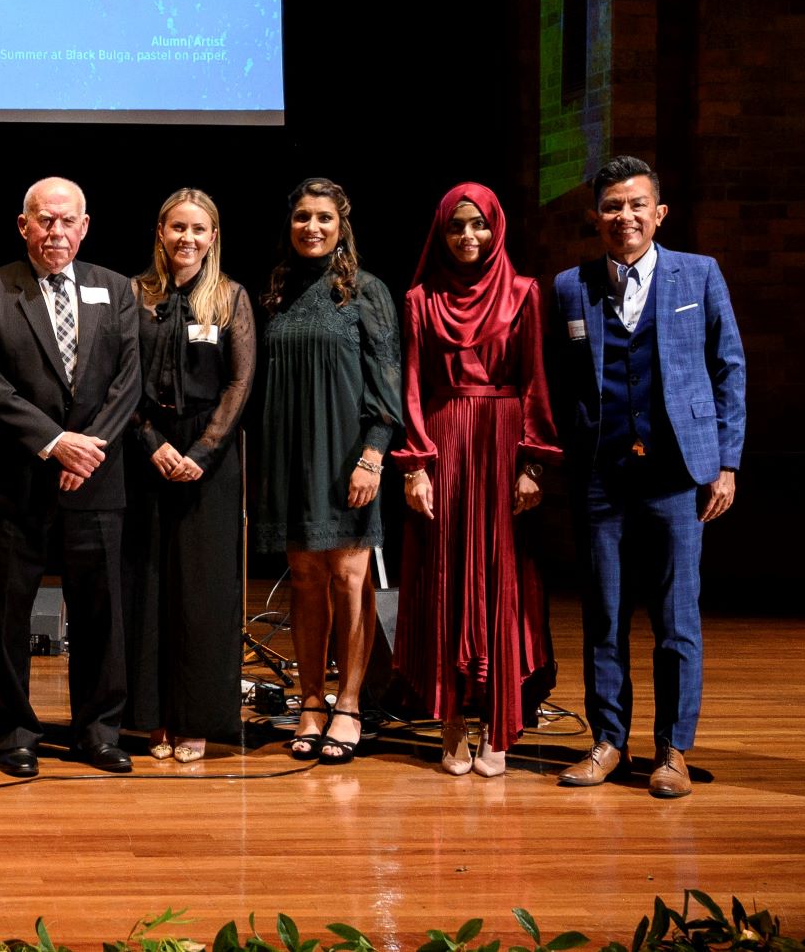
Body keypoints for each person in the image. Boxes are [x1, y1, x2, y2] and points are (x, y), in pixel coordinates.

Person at [549, 156, 745, 799]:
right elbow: (558, 380)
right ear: (595, 216)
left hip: (676, 473)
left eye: (636, 205)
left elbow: (728, 370)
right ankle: (608, 741)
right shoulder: (570, 287)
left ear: (658, 214)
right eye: (611, 206)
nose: (623, 216)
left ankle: (672, 750)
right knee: (604, 614)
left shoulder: (700, 274)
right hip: (602, 474)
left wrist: (726, 461)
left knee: (675, 618)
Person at [0, 177, 141, 778]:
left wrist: (86, 450)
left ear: (85, 226)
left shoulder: (116, 289)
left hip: (96, 478)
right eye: (44, 221)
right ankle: (14, 733)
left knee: (100, 613)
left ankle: (98, 730)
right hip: (20, 479)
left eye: (67, 221)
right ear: (24, 226)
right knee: (9, 615)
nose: (56, 232)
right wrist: (54, 443)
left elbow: (129, 381)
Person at [392, 183, 562, 778]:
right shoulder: (419, 299)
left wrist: (533, 463)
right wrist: (415, 465)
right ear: (441, 233)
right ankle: (450, 723)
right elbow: (409, 385)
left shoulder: (524, 294)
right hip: (443, 444)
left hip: (502, 442)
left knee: (501, 578)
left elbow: (538, 380)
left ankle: (500, 720)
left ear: (497, 228)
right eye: (456, 228)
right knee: (444, 579)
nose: (469, 237)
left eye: (479, 226)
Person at [255, 177, 402, 765]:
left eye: (323, 218)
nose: (311, 228)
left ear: (342, 227)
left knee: (348, 577)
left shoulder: (366, 292)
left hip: (348, 456)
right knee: (307, 579)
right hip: (290, 455)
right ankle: (310, 699)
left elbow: (387, 383)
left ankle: (349, 703)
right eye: (301, 218)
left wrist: (373, 454)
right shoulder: (277, 291)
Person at [124, 188, 256, 764]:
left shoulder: (230, 298)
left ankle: (196, 719)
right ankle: (151, 718)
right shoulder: (133, 294)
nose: (188, 239)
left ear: (213, 237)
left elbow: (240, 382)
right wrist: (151, 442)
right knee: (147, 584)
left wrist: (201, 451)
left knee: (202, 591)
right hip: (144, 449)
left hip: (211, 455)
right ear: (160, 231)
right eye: (178, 227)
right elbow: (117, 378)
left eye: (199, 229)